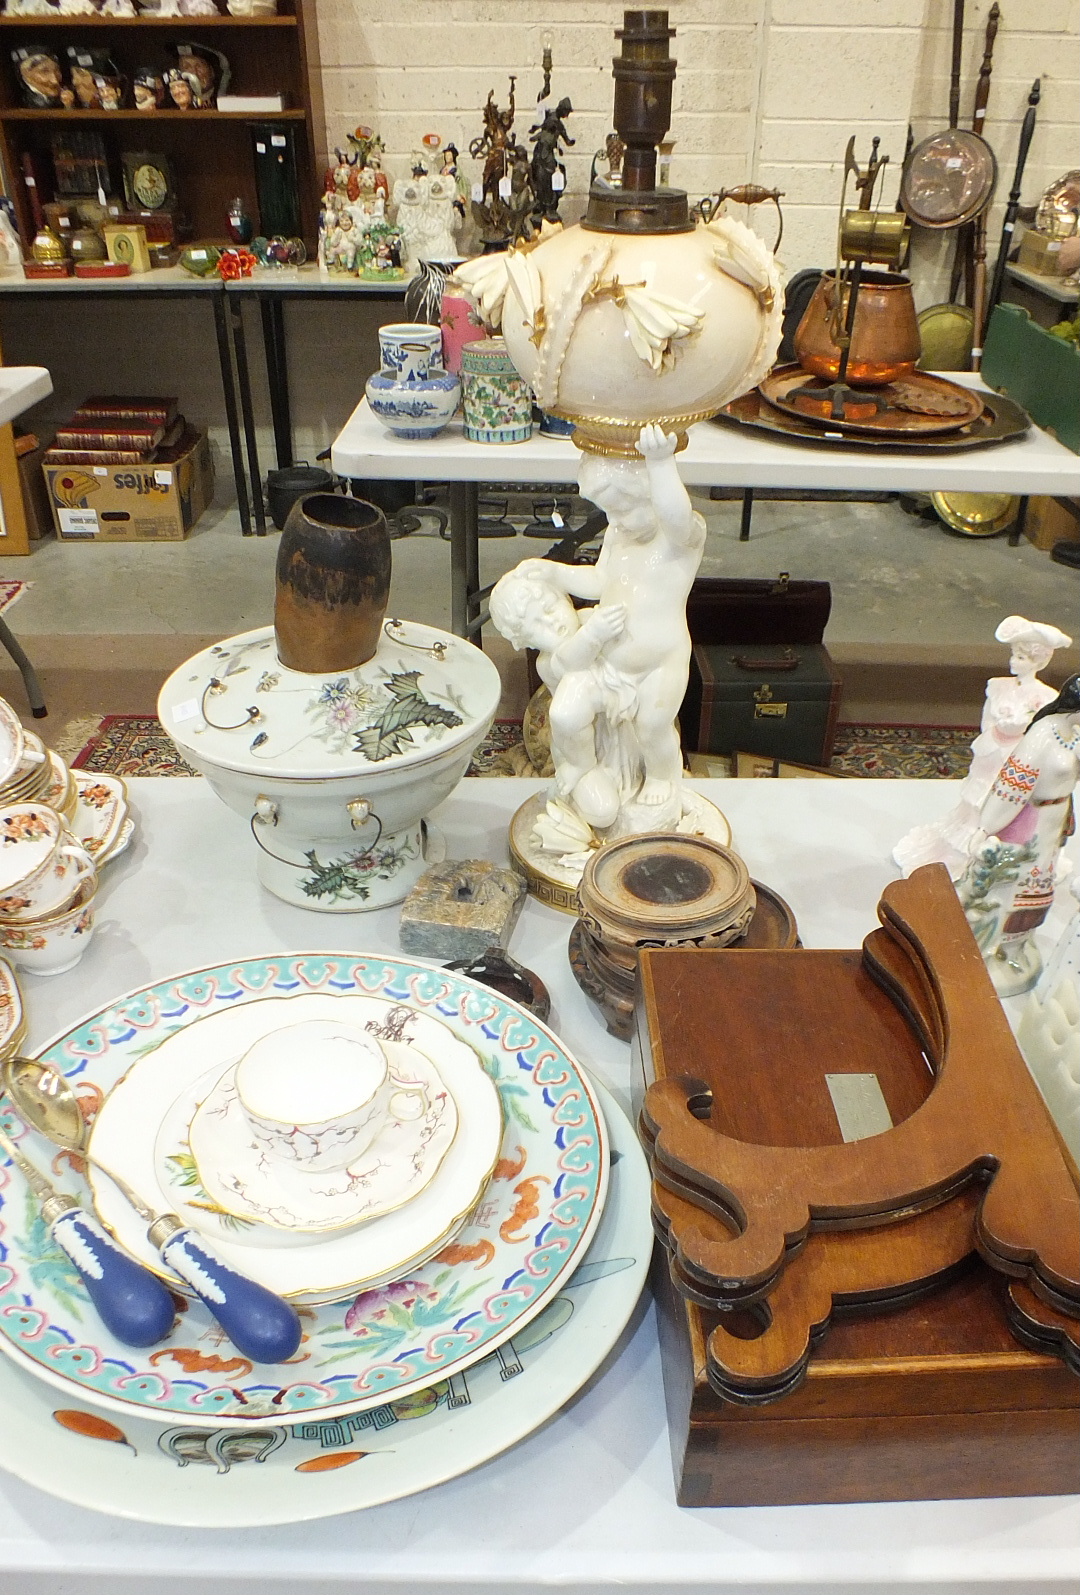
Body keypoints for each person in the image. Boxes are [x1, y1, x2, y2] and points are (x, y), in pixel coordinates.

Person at [502, 423, 705, 824]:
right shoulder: (619, 536)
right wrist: (555, 574)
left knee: (652, 727)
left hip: (659, 664)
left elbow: (675, 514)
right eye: (609, 511)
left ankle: (663, 778)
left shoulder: (679, 540)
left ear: (652, 493)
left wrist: (661, 464)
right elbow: (598, 581)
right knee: (568, 714)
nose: (617, 520)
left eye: (625, 508)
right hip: (610, 664)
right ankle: (582, 771)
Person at [894, 615, 1071, 877]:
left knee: (1004, 806)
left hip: (1016, 758)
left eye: (1021, 657)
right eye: (1013, 655)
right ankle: (960, 853)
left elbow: (1039, 736)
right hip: (992, 753)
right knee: (976, 803)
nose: (1013, 661)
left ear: (1039, 661)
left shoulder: (1046, 697)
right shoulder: (997, 686)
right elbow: (987, 721)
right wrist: (992, 739)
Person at [960, 674, 1080, 995]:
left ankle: (1012, 950)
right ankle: (985, 950)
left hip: (1055, 819)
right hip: (1030, 821)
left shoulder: (1074, 733)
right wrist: (986, 827)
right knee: (1011, 887)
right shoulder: (1042, 735)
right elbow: (1012, 789)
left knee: (1039, 888)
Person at [489, 572, 628, 827]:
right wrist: (596, 633)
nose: (553, 622)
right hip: (582, 752)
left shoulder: (588, 619)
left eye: (550, 607)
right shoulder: (548, 663)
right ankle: (579, 772)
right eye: (537, 625)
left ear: (565, 597)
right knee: (603, 812)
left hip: (626, 733)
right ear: (523, 642)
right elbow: (572, 660)